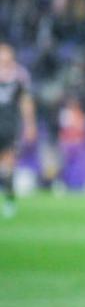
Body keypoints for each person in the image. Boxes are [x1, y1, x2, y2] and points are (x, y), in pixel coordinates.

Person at [0, 43, 37, 219]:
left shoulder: (20, 75)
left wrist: (30, 124)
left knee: (8, 163)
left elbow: (26, 101)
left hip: (9, 125)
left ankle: (9, 201)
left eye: (6, 56)